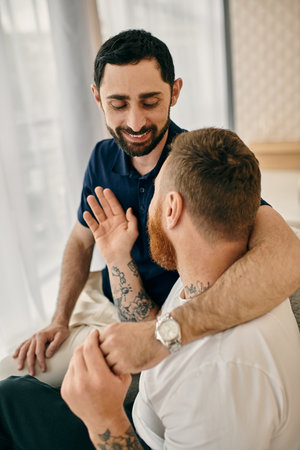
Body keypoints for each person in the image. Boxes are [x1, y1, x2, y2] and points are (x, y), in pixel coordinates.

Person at [0, 29, 299, 387]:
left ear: (175, 92)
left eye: (150, 101)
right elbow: (81, 241)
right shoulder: (102, 156)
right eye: (118, 104)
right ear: (97, 98)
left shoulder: (199, 162)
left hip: (170, 324)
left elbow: (287, 254)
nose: (136, 123)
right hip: (107, 301)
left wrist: (168, 332)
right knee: (13, 378)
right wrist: (58, 319)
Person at [0, 128, 299, 450]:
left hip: (130, 435)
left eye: (155, 191)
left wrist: (105, 420)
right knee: (12, 396)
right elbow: (148, 332)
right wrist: (116, 258)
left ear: (172, 207)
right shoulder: (214, 274)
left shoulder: (220, 376)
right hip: (149, 418)